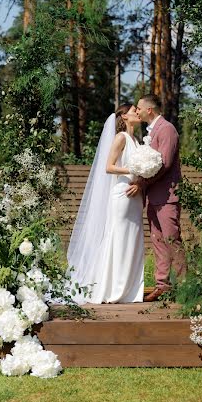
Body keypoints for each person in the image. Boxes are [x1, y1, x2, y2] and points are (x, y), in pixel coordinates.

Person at [67, 104, 144, 304]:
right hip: (122, 194)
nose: (137, 112)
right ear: (124, 117)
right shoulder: (120, 137)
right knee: (118, 239)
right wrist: (131, 170)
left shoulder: (136, 140)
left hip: (135, 194)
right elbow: (108, 167)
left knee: (132, 240)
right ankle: (111, 289)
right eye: (134, 110)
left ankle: (129, 289)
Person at [127, 94, 187, 301]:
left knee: (172, 240)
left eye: (139, 109)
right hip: (153, 197)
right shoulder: (151, 132)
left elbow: (165, 163)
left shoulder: (167, 129)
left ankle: (185, 287)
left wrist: (141, 183)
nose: (137, 112)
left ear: (149, 110)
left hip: (167, 196)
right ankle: (163, 285)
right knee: (158, 241)